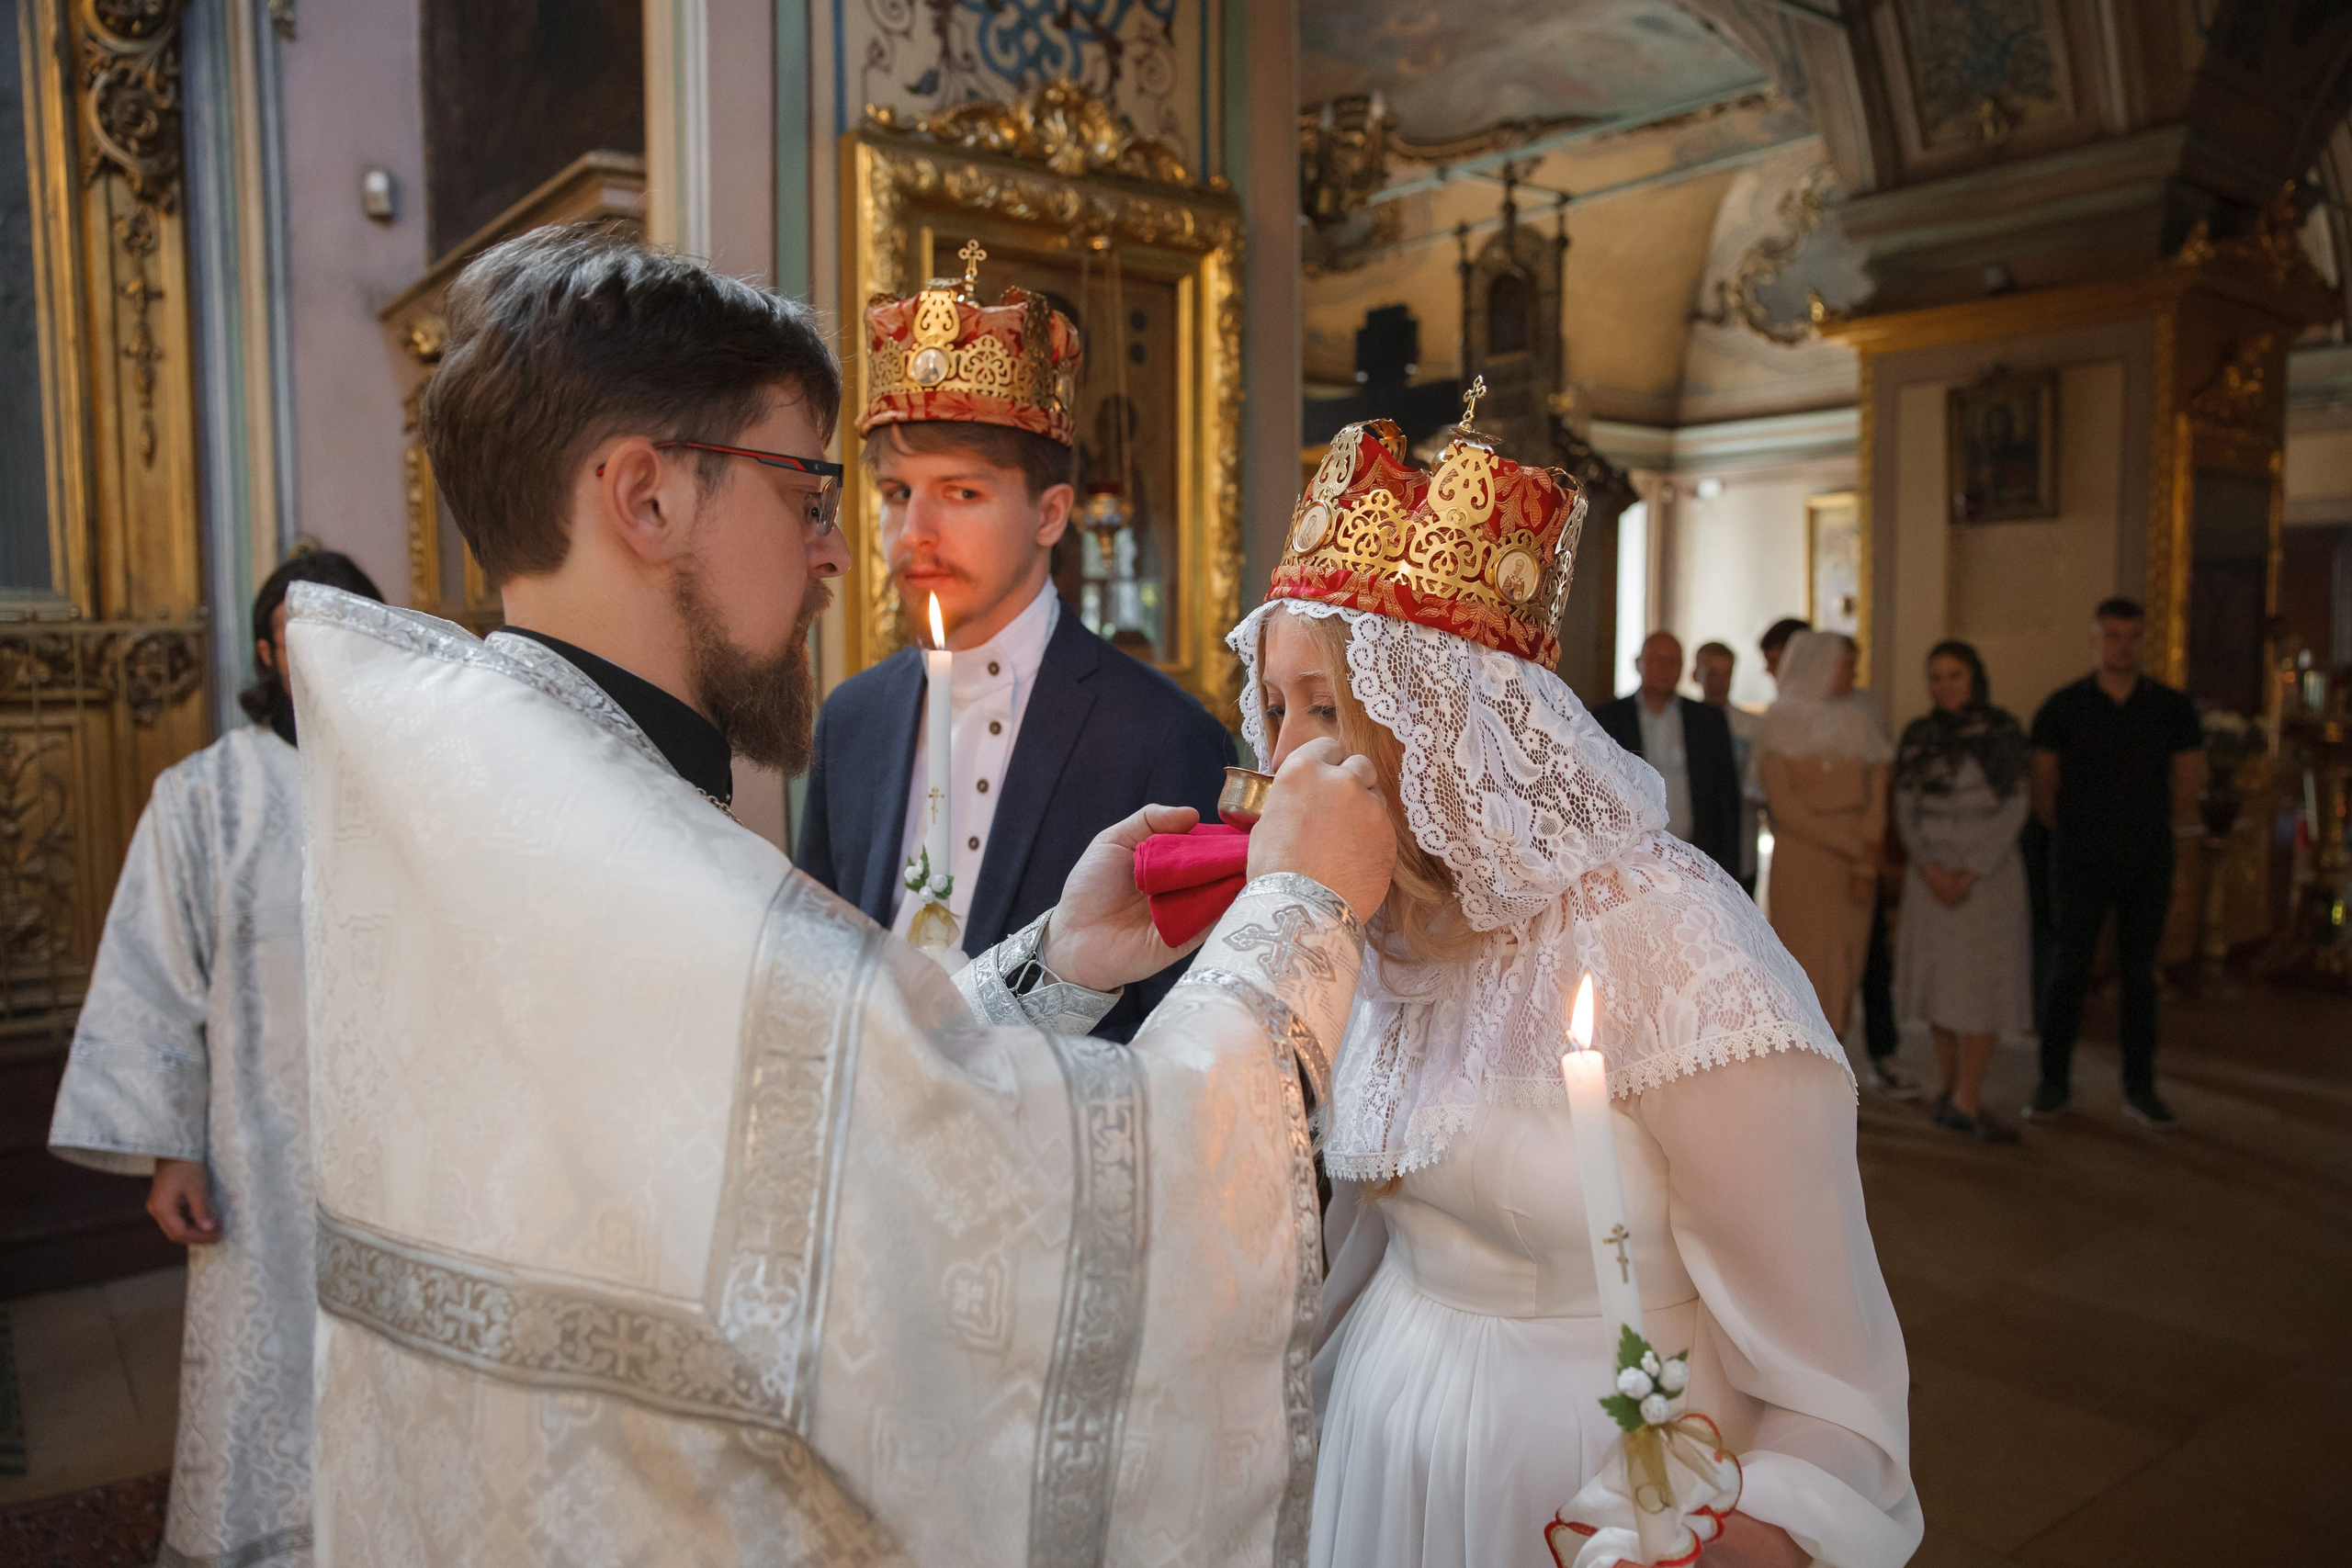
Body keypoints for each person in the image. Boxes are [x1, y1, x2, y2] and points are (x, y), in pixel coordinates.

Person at [290, 222, 1396, 1565]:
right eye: (810, 492)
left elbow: (804, 1134)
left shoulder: (486, 796)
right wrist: (1296, 919)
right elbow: (1033, 1219)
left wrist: (1054, 962)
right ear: (646, 499)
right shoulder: (639, 864)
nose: (837, 551)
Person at [1250, 419, 1918, 1568]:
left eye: (1326, 709)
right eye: (1275, 711)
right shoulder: (1383, 927)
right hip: (1379, 1454)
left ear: (1441, 714)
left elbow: (1832, 1383)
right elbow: (1355, 1249)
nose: (1288, 766)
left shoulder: (1669, 938)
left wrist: (1741, 1537)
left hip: (1589, 1483)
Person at [47, 548, 385, 1568]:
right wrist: (171, 1150)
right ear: (269, 653)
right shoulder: (205, 800)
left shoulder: (420, 795)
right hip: (261, 1154)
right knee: (271, 1368)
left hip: (401, 1151)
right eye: (299, 637)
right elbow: (151, 973)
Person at [797, 246, 1231, 1038]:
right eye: (897, 494)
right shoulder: (850, 718)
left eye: (961, 493)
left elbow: (1184, 1045)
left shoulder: (1163, 737)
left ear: (1051, 514)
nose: (913, 534)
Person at [2027, 596, 2205, 1130]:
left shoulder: (2172, 708)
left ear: (2141, 641)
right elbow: (2043, 787)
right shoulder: (2062, 706)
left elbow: (2189, 783)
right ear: (2095, 639)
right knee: (2069, 967)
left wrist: (2155, 829)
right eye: (2112, 636)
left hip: (2147, 853)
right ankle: (2052, 1082)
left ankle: (2140, 1087)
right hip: (2079, 853)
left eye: (2131, 636)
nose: (2121, 646)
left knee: (2139, 973)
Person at [1760, 617, 1915, 1096]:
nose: (1852, 674)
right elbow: (1787, 810)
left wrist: (1867, 859)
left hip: (1853, 871)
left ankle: (1834, 1082)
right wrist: (1856, 847)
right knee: (1802, 967)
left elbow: (1877, 795)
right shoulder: (1779, 720)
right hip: (1803, 862)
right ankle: (1798, 1083)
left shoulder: (1861, 717)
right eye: (1846, 665)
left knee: (1845, 965)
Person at [1893, 640, 2031, 1144]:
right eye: (1936, 676)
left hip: (1987, 879)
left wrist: (1971, 869)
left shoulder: (2003, 732)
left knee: (1982, 990)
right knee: (1941, 988)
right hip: (1930, 876)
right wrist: (1929, 866)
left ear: (1974, 677)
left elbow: (2016, 806)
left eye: (1954, 675)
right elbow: (1904, 807)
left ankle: (1968, 1099)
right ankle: (1951, 1091)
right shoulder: (1919, 735)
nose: (1944, 686)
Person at [1590, 630, 1743, 881]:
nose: (1664, 667)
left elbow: (1726, 800)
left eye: (1672, 661)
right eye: (1656, 659)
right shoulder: (1608, 719)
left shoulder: (1708, 720)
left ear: (1683, 667)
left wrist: (1728, 870)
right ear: (1638, 664)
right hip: (1631, 861)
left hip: (1697, 859)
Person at [1694, 638, 1763, 895]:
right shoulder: (1684, 725)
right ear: (1696, 674)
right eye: (1712, 673)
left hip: (1741, 841)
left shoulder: (1751, 727)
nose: (1719, 682)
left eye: (1726, 673)